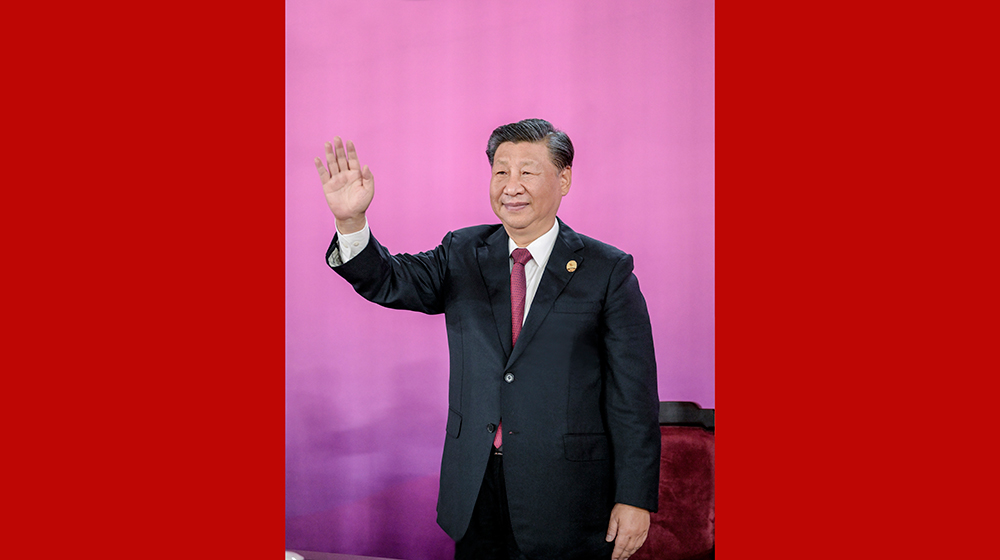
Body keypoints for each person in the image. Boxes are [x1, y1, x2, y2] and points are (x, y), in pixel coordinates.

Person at [315, 119, 660, 560]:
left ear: (564, 179)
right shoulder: (462, 252)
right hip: (476, 487)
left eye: (527, 171)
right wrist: (351, 222)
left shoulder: (606, 270)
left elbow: (633, 396)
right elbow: (389, 280)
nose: (511, 186)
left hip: (567, 495)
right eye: (501, 172)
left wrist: (634, 497)